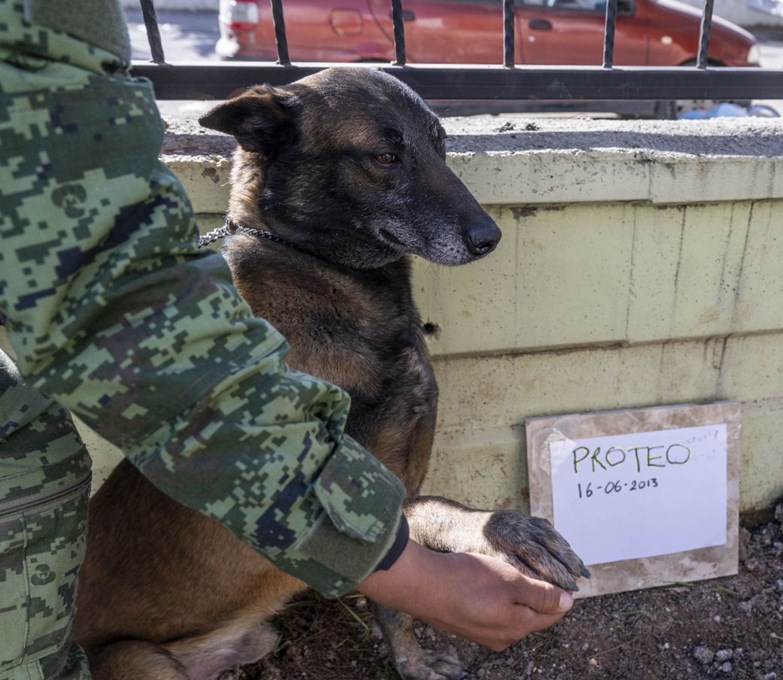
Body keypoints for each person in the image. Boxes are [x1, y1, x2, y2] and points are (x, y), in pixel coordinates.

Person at [0, 1, 572, 677]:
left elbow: (370, 494)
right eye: (386, 158)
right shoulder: (259, 334)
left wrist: (455, 546)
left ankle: (405, 652)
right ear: (264, 141)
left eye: (431, 150)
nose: (473, 222)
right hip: (135, 649)